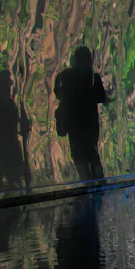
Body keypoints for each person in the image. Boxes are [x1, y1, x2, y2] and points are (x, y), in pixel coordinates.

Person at [54, 46, 111, 181]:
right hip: (90, 120)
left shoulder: (64, 75)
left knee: (78, 152)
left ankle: (85, 182)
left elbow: (58, 94)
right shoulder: (92, 76)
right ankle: (99, 180)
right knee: (92, 150)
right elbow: (101, 98)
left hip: (72, 120)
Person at [0, 69, 31, 189]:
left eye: (9, 85)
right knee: (6, 174)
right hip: (3, 145)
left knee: (15, 176)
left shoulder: (10, 103)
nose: (9, 88)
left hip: (12, 144)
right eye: (6, 85)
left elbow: (17, 122)